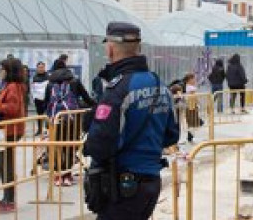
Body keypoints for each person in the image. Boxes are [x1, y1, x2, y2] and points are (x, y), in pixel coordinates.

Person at [84, 22, 179, 220]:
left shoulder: (118, 89)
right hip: (151, 181)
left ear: (110, 49)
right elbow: (171, 135)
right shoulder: (159, 85)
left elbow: (100, 143)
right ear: (139, 48)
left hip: (123, 186)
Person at [45, 58, 95, 186]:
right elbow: (86, 98)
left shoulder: (50, 84)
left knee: (56, 147)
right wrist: (96, 106)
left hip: (55, 120)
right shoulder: (75, 81)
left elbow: (46, 103)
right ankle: (67, 175)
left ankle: (57, 176)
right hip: (72, 119)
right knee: (69, 147)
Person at [0, 58, 27, 213]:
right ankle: (7, 198)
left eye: (2, 68)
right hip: (8, 129)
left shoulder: (12, 86)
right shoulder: (11, 86)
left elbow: (12, 108)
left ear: (9, 70)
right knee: (4, 162)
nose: (0, 71)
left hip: (10, 130)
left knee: (4, 163)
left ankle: (9, 199)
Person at [31, 61, 50, 136]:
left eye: (42, 67)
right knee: (39, 114)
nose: (41, 69)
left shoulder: (48, 76)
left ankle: (47, 129)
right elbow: (33, 88)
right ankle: (39, 129)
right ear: (37, 68)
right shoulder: (35, 77)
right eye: (39, 67)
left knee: (47, 115)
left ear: (44, 68)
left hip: (46, 98)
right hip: (38, 99)